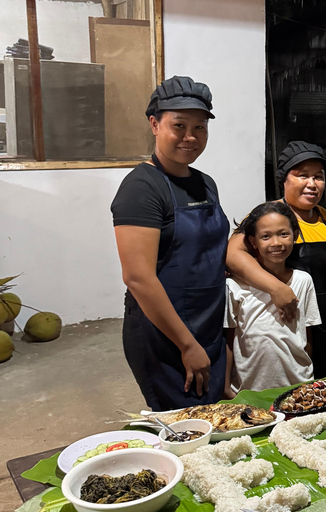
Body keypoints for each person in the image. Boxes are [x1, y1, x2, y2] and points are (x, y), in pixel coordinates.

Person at [112, 76, 227, 410]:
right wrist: (187, 345)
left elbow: (212, 250)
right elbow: (138, 278)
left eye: (200, 127)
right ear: (154, 124)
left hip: (207, 324)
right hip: (165, 333)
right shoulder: (142, 188)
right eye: (179, 125)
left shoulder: (205, 184)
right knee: (186, 427)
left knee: (214, 420)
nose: (190, 137)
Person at [226, 142, 326, 378]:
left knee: (324, 384)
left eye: (318, 176)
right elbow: (232, 255)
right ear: (283, 180)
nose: (312, 184)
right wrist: (276, 288)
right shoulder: (270, 215)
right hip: (289, 319)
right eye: (302, 175)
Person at [223, 202, 321, 395]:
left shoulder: (303, 281)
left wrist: (309, 380)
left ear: (296, 235)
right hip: (250, 389)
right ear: (253, 242)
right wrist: (226, 385)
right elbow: (229, 340)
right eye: (265, 236)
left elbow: (307, 335)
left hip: (298, 386)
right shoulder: (234, 286)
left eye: (283, 234)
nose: (276, 243)